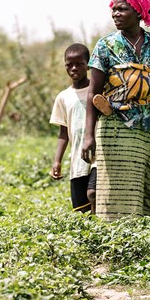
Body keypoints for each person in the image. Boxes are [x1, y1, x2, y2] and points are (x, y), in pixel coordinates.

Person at [81, 0, 150, 221]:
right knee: (113, 185)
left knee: (142, 181)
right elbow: (92, 92)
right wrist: (88, 134)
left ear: (138, 12)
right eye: (114, 10)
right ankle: (112, 239)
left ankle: (140, 234)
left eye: (122, 9)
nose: (115, 14)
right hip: (114, 126)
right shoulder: (105, 46)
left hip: (146, 128)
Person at [49, 43, 95, 213]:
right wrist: (57, 161)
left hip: (98, 156)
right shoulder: (63, 97)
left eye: (79, 64)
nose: (74, 68)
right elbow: (63, 133)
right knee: (82, 210)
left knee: (93, 194)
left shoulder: (97, 90)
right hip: (77, 160)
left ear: (88, 65)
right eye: (69, 65)